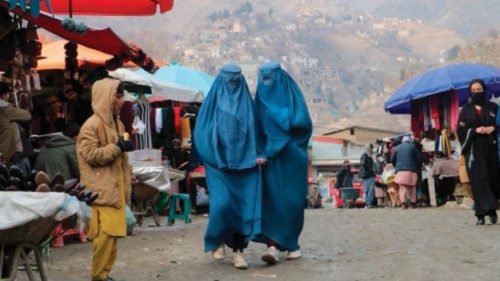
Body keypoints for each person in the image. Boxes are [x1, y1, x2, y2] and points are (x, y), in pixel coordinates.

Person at [194, 64, 264, 269]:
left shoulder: (248, 104)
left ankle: (238, 252)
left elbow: (257, 131)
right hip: (219, 166)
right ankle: (218, 239)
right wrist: (211, 158)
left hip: (246, 167)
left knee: (243, 211)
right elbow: (201, 134)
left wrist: (259, 153)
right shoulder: (211, 103)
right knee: (222, 205)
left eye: (236, 80)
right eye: (228, 80)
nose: (232, 85)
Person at [253, 61, 312, 265]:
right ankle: (273, 245)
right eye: (263, 79)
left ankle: (292, 243)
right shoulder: (259, 100)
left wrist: (284, 138)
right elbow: (255, 129)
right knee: (271, 201)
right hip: (268, 161)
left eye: (271, 79)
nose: (267, 84)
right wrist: (260, 150)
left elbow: (304, 125)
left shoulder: (293, 99)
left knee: (292, 202)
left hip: (291, 158)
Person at [76, 78, 134, 281]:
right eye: (118, 97)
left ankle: (104, 274)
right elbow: (90, 155)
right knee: (104, 237)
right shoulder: (90, 126)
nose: (122, 101)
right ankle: (98, 276)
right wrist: (117, 147)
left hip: (114, 190)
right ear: (107, 98)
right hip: (101, 192)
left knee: (113, 238)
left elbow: (120, 157)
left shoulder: (117, 123)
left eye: (122, 97)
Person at [457, 79, 500, 225]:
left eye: (479, 89)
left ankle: (492, 210)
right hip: (474, 151)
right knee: (478, 181)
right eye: (473, 90)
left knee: (493, 179)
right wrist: (475, 130)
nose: (476, 92)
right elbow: (461, 131)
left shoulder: (493, 107)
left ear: (484, 89)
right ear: (470, 91)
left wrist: (493, 128)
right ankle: (480, 214)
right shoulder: (465, 111)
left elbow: (499, 124)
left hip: (492, 148)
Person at [0, 81, 31, 164]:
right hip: (10, 153)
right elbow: (27, 115)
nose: (8, 96)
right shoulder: (6, 109)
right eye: (8, 94)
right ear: (3, 95)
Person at [391, 136, 422, 209]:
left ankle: (404, 203)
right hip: (412, 171)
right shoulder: (413, 147)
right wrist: (418, 168)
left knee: (402, 187)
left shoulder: (397, 148)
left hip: (400, 172)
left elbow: (392, 159)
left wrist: (397, 167)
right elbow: (419, 159)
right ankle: (412, 204)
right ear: (409, 140)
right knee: (412, 187)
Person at [359, 143, 376, 208]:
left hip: (368, 175)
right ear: (369, 148)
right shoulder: (365, 155)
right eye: (371, 148)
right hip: (368, 175)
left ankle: (368, 204)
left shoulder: (368, 155)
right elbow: (364, 164)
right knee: (369, 190)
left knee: (369, 190)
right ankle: (368, 204)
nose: (372, 150)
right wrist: (370, 170)